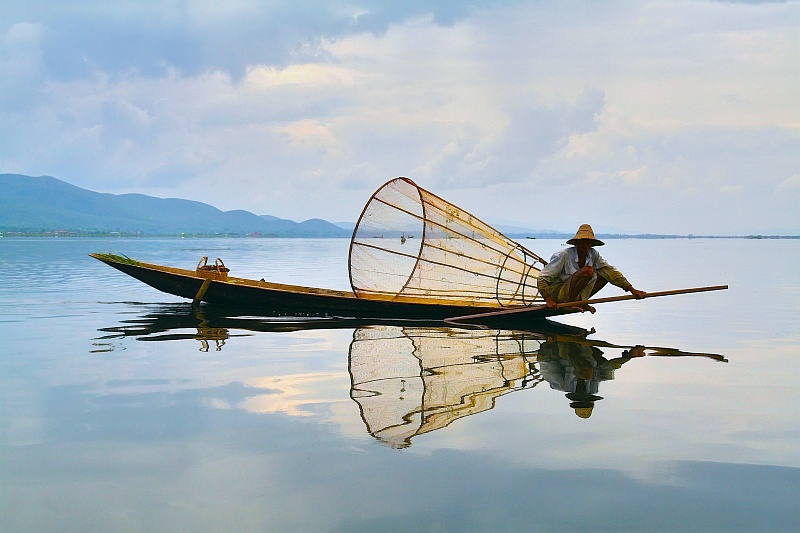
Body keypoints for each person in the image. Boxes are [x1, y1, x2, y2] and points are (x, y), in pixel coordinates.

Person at [537, 224, 646, 313]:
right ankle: (572, 303)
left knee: (605, 275)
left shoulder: (593, 254)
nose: (584, 244)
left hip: (575, 294)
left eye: (587, 242)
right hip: (558, 294)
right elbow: (542, 278)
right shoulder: (564, 255)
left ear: (591, 244)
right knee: (588, 271)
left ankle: (581, 302)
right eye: (582, 241)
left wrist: (631, 289)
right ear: (577, 243)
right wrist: (548, 299)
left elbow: (610, 271)